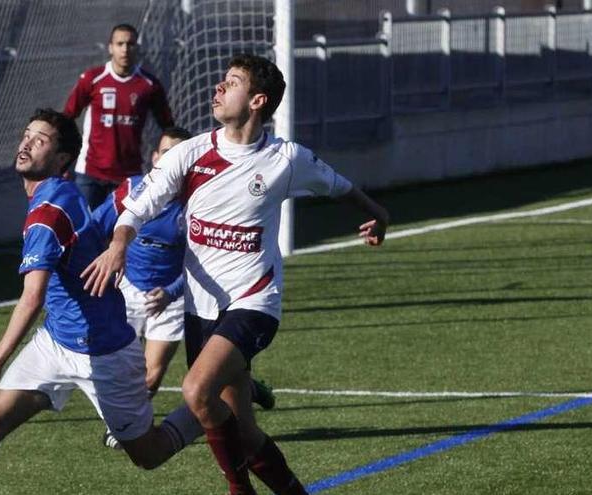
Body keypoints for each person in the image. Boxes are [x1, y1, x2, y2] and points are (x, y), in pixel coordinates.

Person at [81, 54, 389, 495]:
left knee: (195, 391)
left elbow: (341, 186)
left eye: (233, 82)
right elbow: (139, 206)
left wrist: (379, 215)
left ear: (258, 100)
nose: (219, 88)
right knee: (242, 428)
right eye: (222, 80)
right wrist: (118, 243)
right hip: (201, 308)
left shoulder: (286, 159)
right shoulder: (190, 153)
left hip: (255, 303)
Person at [0, 109, 201, 495]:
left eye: (39, 140)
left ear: (61, 159)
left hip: (106, 353)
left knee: (149, 453)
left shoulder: (47, 213)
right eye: (26, 135)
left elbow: (32, 298)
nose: (26, 144)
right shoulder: (63, 192)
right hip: (55, 344)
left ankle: (212, 403)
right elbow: (113, 209)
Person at [92, 126, 276, 450]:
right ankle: (246, 385)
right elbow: (95, 226)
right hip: (128, 289)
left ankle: (128, 428)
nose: (170, 159)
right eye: (164, 152)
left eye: (177, 153)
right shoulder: (132, 191)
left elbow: (200, 263)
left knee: (151, 375)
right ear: (154, 158)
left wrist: (172, 293)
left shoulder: (199, 200)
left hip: (174, 295)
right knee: (118, 364)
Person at [63, 23, 174, 209]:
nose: (125, 49)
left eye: (130, 44)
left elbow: (168, 127)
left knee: (123, 234)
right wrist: (64, 162)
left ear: (137, 48)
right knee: (85, 233)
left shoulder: (149, 85)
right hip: (90, 173)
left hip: (129, 176)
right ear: (110, 47)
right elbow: (67, 118)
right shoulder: (92, 79)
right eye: (120, 44)